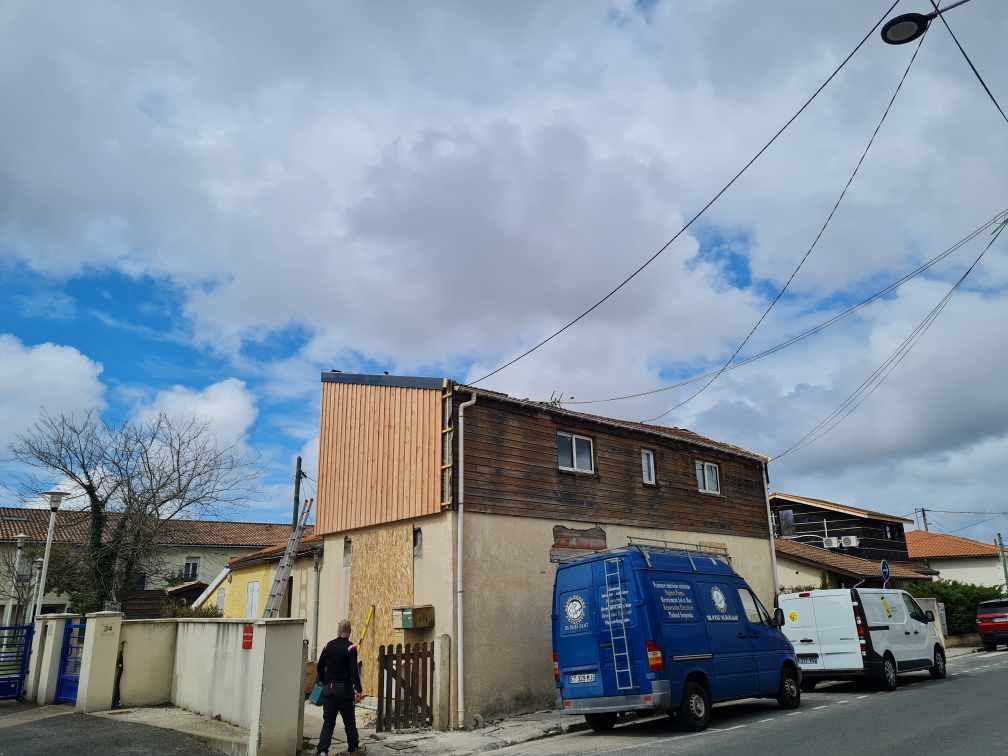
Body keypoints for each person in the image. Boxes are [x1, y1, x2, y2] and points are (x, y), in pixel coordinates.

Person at [315, 619, 364, 755]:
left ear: (338, 631)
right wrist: (358, 689)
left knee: (328, 722)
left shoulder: (328, 646)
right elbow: (354, 671)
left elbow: (320, 666)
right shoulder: (351, 648)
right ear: (349, 631)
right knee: (349, 722)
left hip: (329, 690)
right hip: (344, 691)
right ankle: (353, 748)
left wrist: (324, 680)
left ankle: (323, 751)